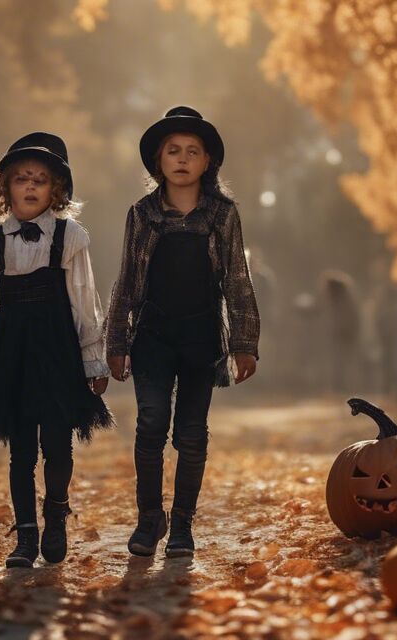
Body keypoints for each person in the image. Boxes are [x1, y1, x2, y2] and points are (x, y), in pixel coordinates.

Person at [105, 107, 261, 558]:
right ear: (158, 161)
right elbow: (127, 282)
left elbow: (237, 280)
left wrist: (244, 344)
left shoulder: (222, 215)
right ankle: (149, 517)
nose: (182, 159)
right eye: (173, 151)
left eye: (193, 152)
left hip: (201, 339)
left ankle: (183, 526)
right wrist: (116, 342)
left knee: (191, 433)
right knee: (151, 424)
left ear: (208, 162)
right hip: (151, 336)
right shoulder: (143, 215)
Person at [0, 132, 112, 568]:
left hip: (58, 349)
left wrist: (93, 357)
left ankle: (56, 515)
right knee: (20, 448)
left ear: (55, 190)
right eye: (21, 178)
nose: (29, 185)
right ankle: (25, 534)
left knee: (58, 446)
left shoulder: (69, 236)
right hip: (12, 352)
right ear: (5, 188)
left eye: (40, 180)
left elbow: (84, 298)